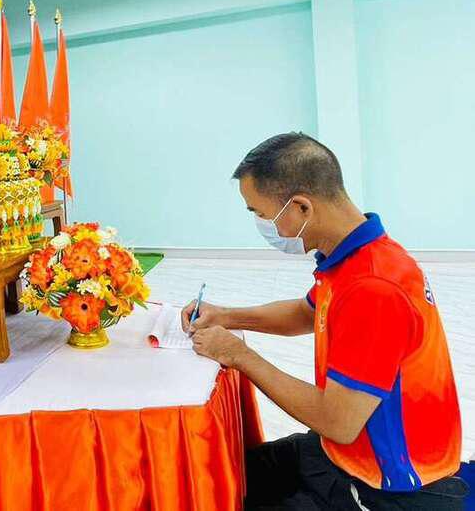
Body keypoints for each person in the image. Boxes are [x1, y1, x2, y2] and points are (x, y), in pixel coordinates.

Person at [182, 132, 466, 510]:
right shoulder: (356, 256)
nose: (264, 226)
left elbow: (338, 423)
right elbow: (306, 312)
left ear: (302, 207)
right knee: (223, 475)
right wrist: (227, 316)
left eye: (261, 215)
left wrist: (239, 355)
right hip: (342, 450)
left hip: (386, 486)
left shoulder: (374, 289)